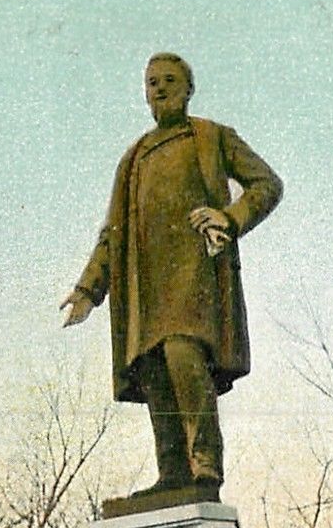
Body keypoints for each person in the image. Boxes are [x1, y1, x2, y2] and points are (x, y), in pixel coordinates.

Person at [61, 53, 282, 497]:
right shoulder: (135, 158)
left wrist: (229, 217)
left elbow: (267, 184)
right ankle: (173, 473)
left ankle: (205, 468)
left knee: (185, 359)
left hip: (195, 279)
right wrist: (88, 288)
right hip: (145, 289)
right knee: (155, 372)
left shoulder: (211, 136)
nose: (159, 88)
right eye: (151, 82)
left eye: (169, 80)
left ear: (187, 88)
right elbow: (113, 234)